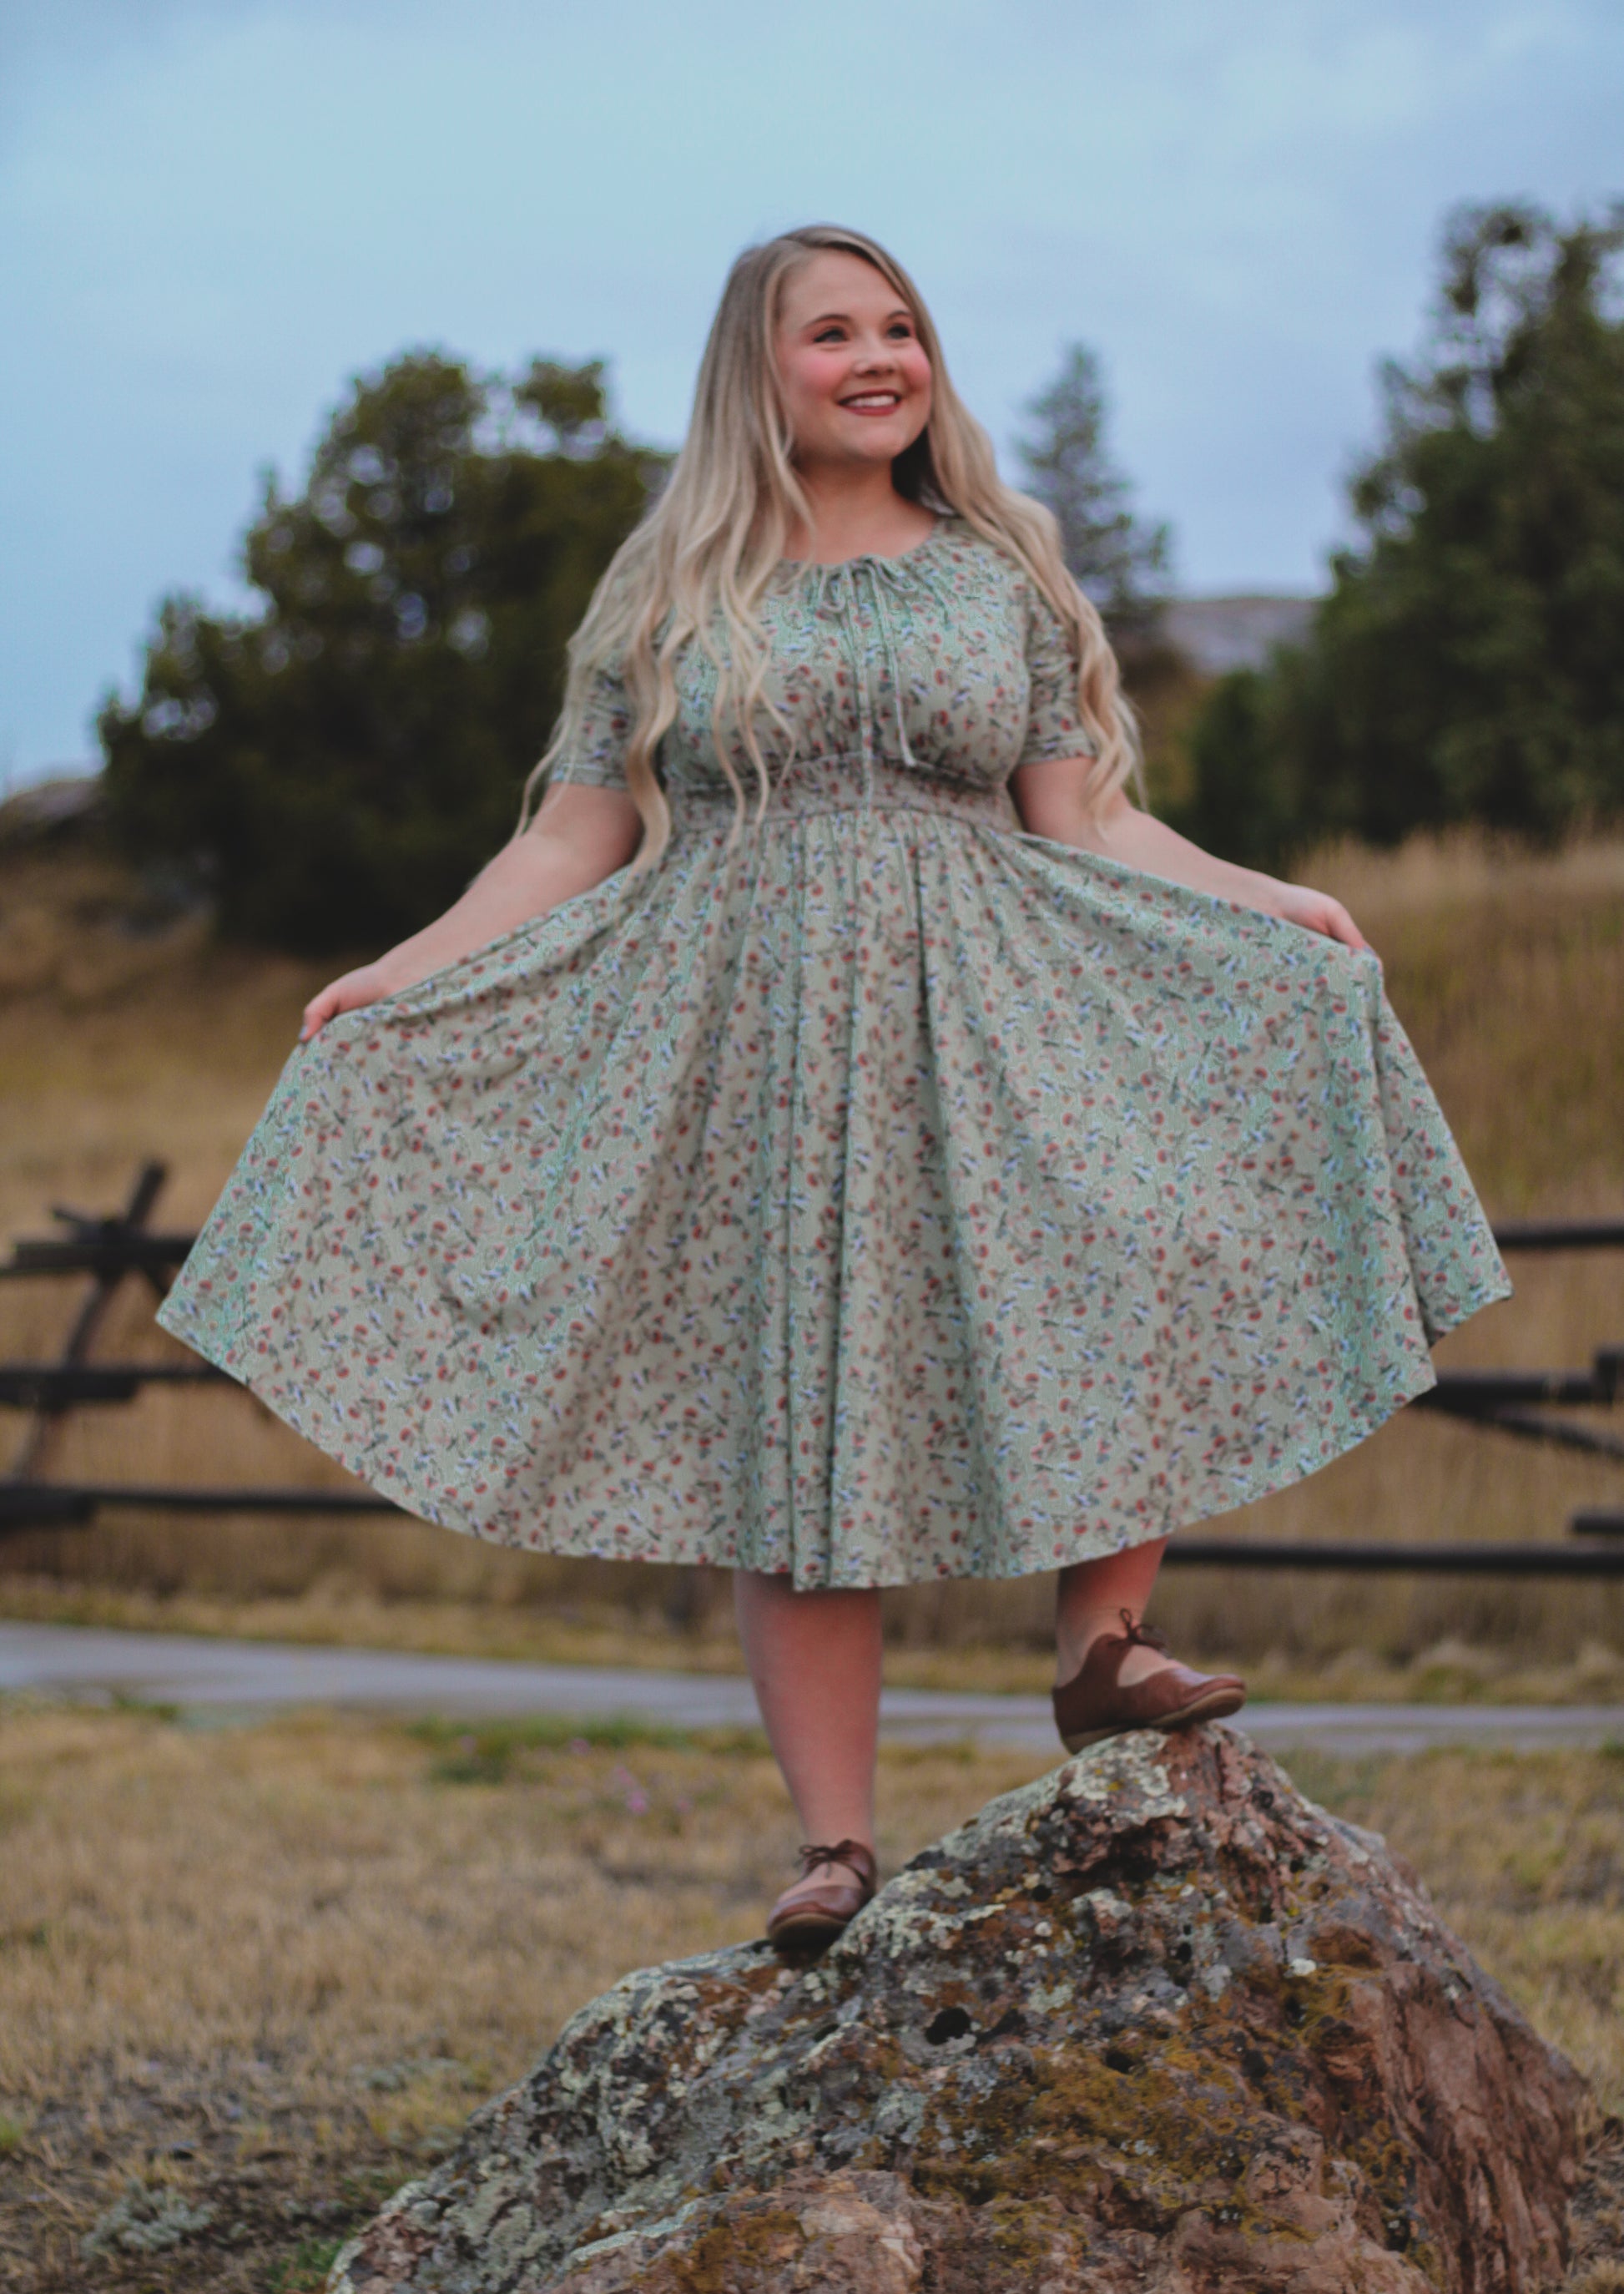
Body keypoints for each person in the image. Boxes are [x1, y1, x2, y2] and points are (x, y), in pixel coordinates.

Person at [159, 225, 1510, 1957]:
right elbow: (570, 835)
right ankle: (836, 1845)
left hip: (1000, 996)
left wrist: (1264, 902)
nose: (877, 357)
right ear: (757, 370)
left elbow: (1081, 817)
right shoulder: (665, 595)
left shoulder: (998, 572)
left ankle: (1101, 1651)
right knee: (794, 1412)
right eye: (830, 334)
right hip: (750, 1041)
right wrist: (404, 969)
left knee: (1104, 1270)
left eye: (901, 328)